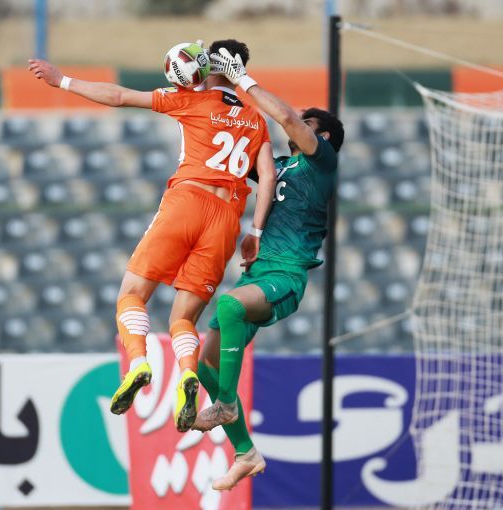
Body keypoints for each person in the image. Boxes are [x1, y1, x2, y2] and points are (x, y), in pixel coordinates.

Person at [28, 40, 276, 432]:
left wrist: (62, 81)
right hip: (228, 217)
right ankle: (187, 374)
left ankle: (139, 363)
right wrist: (256, 231)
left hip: (188, 200)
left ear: (209, 65)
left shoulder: (191, 100)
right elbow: (269, 177)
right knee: (184, 318)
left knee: (131, 294)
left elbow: (120, 96)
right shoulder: (256, 119)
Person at [191, 47, 344, 490]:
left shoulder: (321, 164)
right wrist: (209, 92)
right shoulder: (279, 168)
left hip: (285, 276)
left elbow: (287, 119)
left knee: (230, 306)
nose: (295, 123)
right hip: (256, 275)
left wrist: (244, 78)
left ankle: (225, 404)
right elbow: (238, 146)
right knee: (204, 364)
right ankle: (245, 452)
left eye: (308, 123)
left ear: (323, 136)